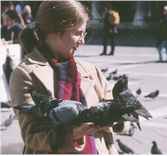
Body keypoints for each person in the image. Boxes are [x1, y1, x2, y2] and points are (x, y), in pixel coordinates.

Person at [10, 1, 120, 154]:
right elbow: (32, 136)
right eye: (78, 33)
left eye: (84, 33)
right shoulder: (25, 73)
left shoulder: (90, 69)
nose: (82, 41)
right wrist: (74, 133)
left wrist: (118, 116)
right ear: (55, 31)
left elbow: (115, 118)